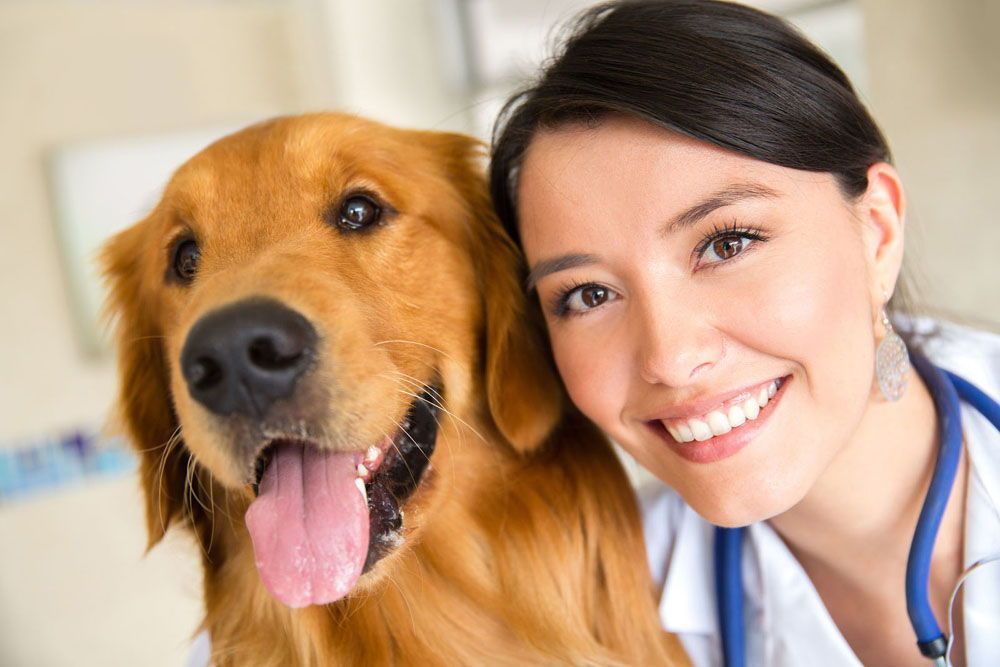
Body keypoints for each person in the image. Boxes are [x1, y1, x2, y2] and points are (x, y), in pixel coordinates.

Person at [489, 1, 1000, 665]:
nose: (670, 357)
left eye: (727, 243)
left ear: (877, 230)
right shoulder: (598, 625)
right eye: (589, 295)